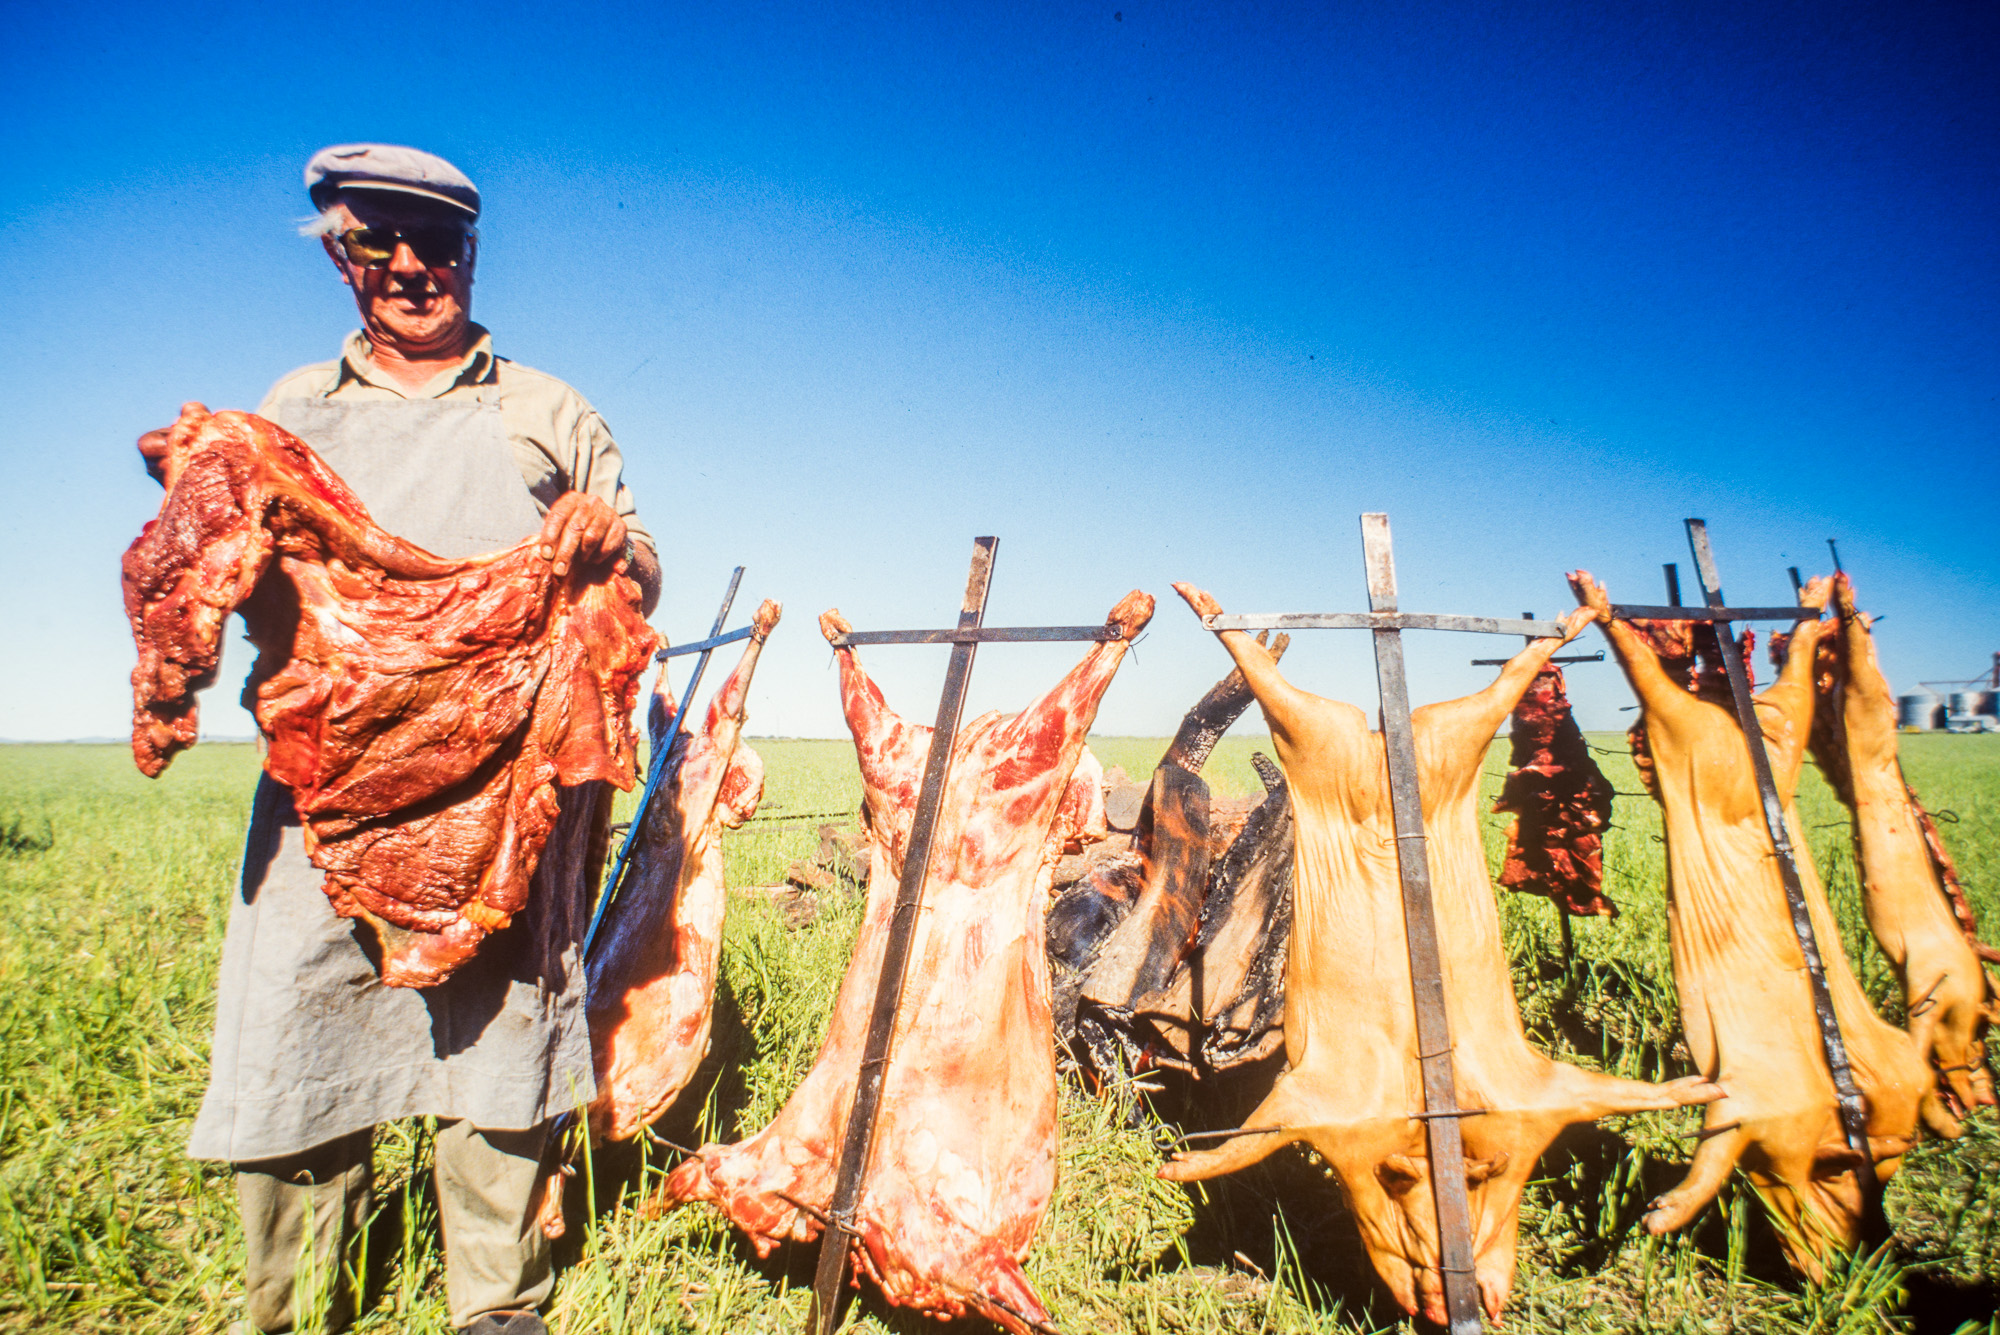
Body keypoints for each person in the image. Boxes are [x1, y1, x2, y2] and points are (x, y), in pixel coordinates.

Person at [137, 144, 660, 1335]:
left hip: (506, 769)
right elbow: (223, 552)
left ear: (471, 255)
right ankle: (295, 1302)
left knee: (502, 1027)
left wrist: (606, 545)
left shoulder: (546, 408)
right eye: (381, 243)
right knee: (298, 1012)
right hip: (331, 774)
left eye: (440, 245)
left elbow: (643, 562)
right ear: (342, 256)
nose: (414, 269)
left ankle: (497, 1304)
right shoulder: (288, 410)